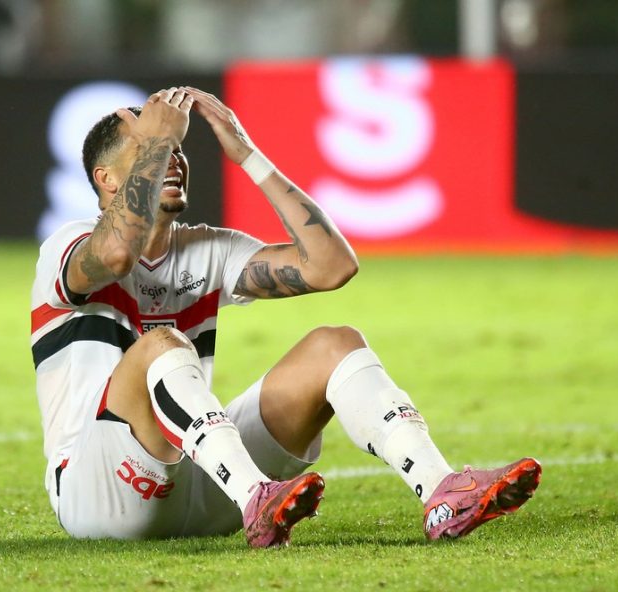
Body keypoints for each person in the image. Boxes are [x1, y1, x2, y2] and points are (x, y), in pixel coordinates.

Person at [29, 87, 541, 547]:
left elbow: (331, 266)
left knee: (335, 344)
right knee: (163, 344)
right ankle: (257, 497)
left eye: (177, 150)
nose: (174, 157)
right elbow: (117, 253)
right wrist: (161, 136)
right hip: (97, 495)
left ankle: (441, 492)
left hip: (203, 484)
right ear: (107, 180)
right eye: (151, 150)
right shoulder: (67, 247)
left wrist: (248, 156)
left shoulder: (206, 249)